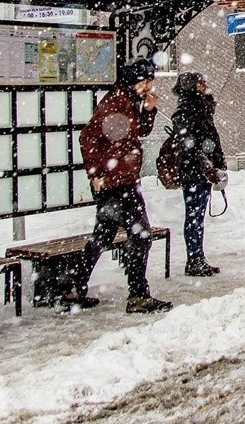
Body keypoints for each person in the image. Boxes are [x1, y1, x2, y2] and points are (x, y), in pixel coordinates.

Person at [68, 58, 172, 314]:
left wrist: (149, 109)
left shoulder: (128, 100)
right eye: (146, 81)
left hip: (122, 179)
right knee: (141, 234)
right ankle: (138, 295)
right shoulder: (116, 102)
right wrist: (96, 172)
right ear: (134, 80)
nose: (149, 86)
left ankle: (74, 288)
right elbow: (88, 136)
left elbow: (140, 133)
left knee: (103, 236)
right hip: (118, 182)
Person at [171, 71, 226, 277]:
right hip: (194, 170)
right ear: (192, 86)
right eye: (201, 83)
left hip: (201, 170)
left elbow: (209, 139)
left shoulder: (201, 108)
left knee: (198, 215)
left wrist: (217, 162)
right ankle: (194, 258)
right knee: (194, 215)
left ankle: (197, 257)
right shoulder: (186, 111)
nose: (205, 85)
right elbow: (189, 146)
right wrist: (207, 166)